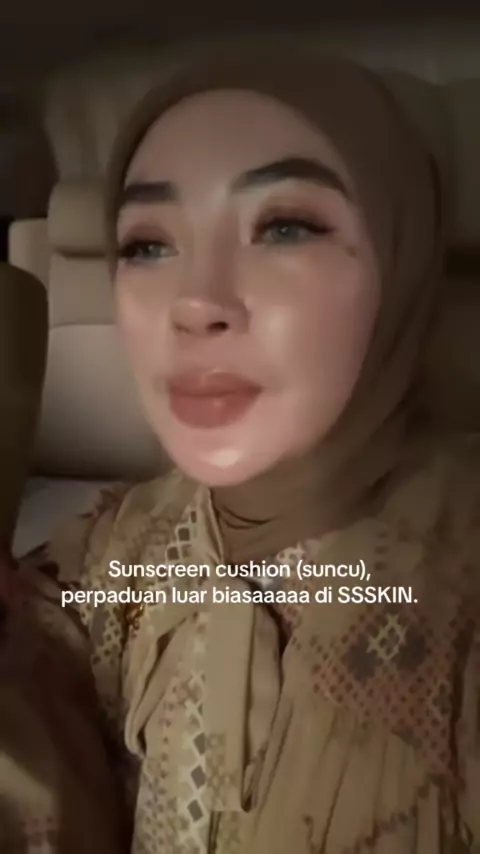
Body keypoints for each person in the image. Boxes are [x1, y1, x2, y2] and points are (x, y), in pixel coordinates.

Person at [2, 45, 480, 853]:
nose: (195, 302)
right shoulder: (121, 541)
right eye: (147, 244)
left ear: (400, 259)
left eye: (285, 227)